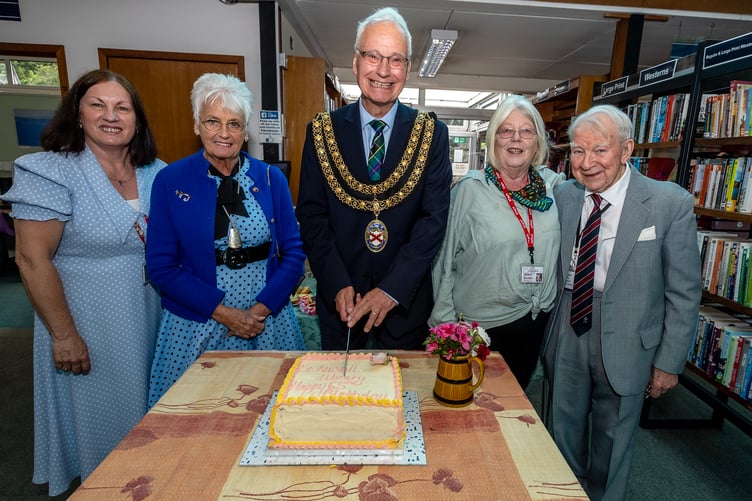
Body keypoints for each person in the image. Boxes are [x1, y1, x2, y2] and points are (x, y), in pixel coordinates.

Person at [0, 69, 165, 496]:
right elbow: (31, 258)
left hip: (150, 313)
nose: (110, 115)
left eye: (122, 107)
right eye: (97, 104)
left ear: (137, 119)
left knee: (153, 410)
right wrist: (64, 334)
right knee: (103, 415)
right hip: (85, 319)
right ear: (77, 114)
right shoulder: (50, 171)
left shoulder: (155, 172)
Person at [541, 104, 702, 501]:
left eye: (600, 150)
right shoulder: (563, 195)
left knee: (613, 444)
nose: (587, 162)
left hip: (631, 340)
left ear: (626, 150)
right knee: (560, 428)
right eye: (578, 151)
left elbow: (684, 291)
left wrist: (668, 362)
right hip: (569, 323)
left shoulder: (669, 203)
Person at [296, 7, 452, 351]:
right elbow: (311, 216)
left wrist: (392, 289)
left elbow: (433, 221)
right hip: (342, 307)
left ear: (408, 69)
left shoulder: (432, 134)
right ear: (356, 63)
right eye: (373, 56)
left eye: (396, 59)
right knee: (341, 400)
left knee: (404, 402)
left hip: (405, 309)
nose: (383, 70)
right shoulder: (322, 132)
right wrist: (336, 282)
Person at [146, 73, 305, 407]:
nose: (223, 133)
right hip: (197, 324)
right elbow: (161, 267)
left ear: (245, 132)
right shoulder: (170, 180)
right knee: (193, 420)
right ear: (196, 125)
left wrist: (259, 311)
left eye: (234, 124)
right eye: (212, 121)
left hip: (267, 323)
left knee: (273, 414)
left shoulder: (270, 178)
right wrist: (223, 312)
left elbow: (293, 253)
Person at [430, 95, 565, 389]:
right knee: (473, 407)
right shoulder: (470, 190)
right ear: (493, 140)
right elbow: (443, 261)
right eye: (506, 130)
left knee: (515, 410)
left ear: (538, 142)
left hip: (535, 321)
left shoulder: (555, 189)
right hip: (481, 326)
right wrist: (445, 324)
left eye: (526, 131)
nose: (516, 139)